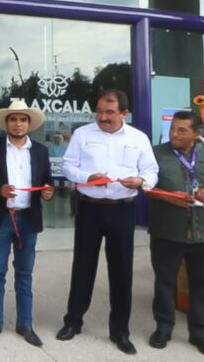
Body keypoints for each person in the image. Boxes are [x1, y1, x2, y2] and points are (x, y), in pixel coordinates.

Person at [56, 89, 159, 355]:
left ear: (125, 113)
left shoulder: (138, 138)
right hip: (89, 209)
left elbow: (151, 171)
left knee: (122, 271)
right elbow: (67, 166)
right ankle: (73, 321)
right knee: (83, 267)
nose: (102, 117)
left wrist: (141, 181)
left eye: (109, 112)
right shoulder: (83, 134)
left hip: (122, 209)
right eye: (99, 111)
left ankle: (120, 331)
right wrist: (87, 177)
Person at [145, 111, 204, 359]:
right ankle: (163, 328)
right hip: (167, 230)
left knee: (202, 284)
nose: (174, 134)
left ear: (197, 133)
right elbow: (145, 186)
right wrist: (167, 197)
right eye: (173, 128)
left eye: (182, 130)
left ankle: (199, 333)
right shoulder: (155, 153)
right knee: (164, 282)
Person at [0, 100, 54, 346]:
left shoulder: (40, 150)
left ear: (29, 124)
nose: (18, 124)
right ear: (6, 123)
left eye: (22, 120)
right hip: (2, 218)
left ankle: (25, 324)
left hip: (28, 219)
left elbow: (47, 181)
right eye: (13, 119)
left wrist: (48, 192)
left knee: (24, 273)